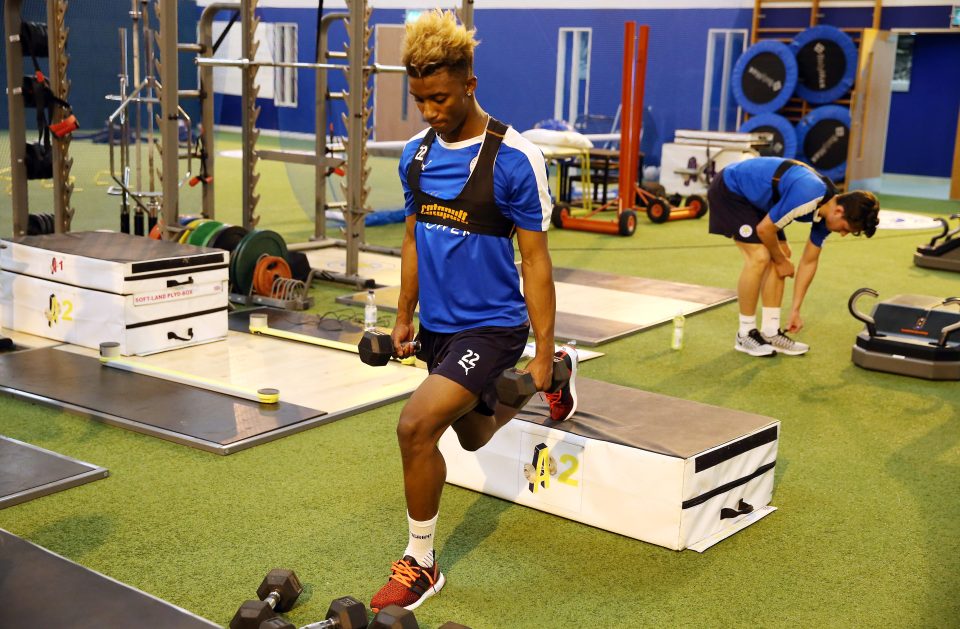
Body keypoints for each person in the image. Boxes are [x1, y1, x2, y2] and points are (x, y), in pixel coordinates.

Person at [369, 9, 578, 613]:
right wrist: (403, 315)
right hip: (437, 329)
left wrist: (539, 346)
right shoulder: (414, 155)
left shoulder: (515, 158)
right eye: (419, 100)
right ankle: (558, 381)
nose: (430, 112)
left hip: (492, 327)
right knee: (473, 435)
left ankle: (422, 564)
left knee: (415, 427)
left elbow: (535, 261)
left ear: (469, 84)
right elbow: (412, 239)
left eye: (439, 98)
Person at [707, 156, 880, 357]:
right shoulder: (809, 194)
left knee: (783, 252)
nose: (842, 233)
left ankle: (771, 332)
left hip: (758, 199)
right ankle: (744, 334)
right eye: (846, 229)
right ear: (839, 211)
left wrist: (795, 310)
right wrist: (781, 262)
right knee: (761, 257)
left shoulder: (828, 209)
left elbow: (809, 260)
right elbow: (765, 230)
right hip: (731, 189)